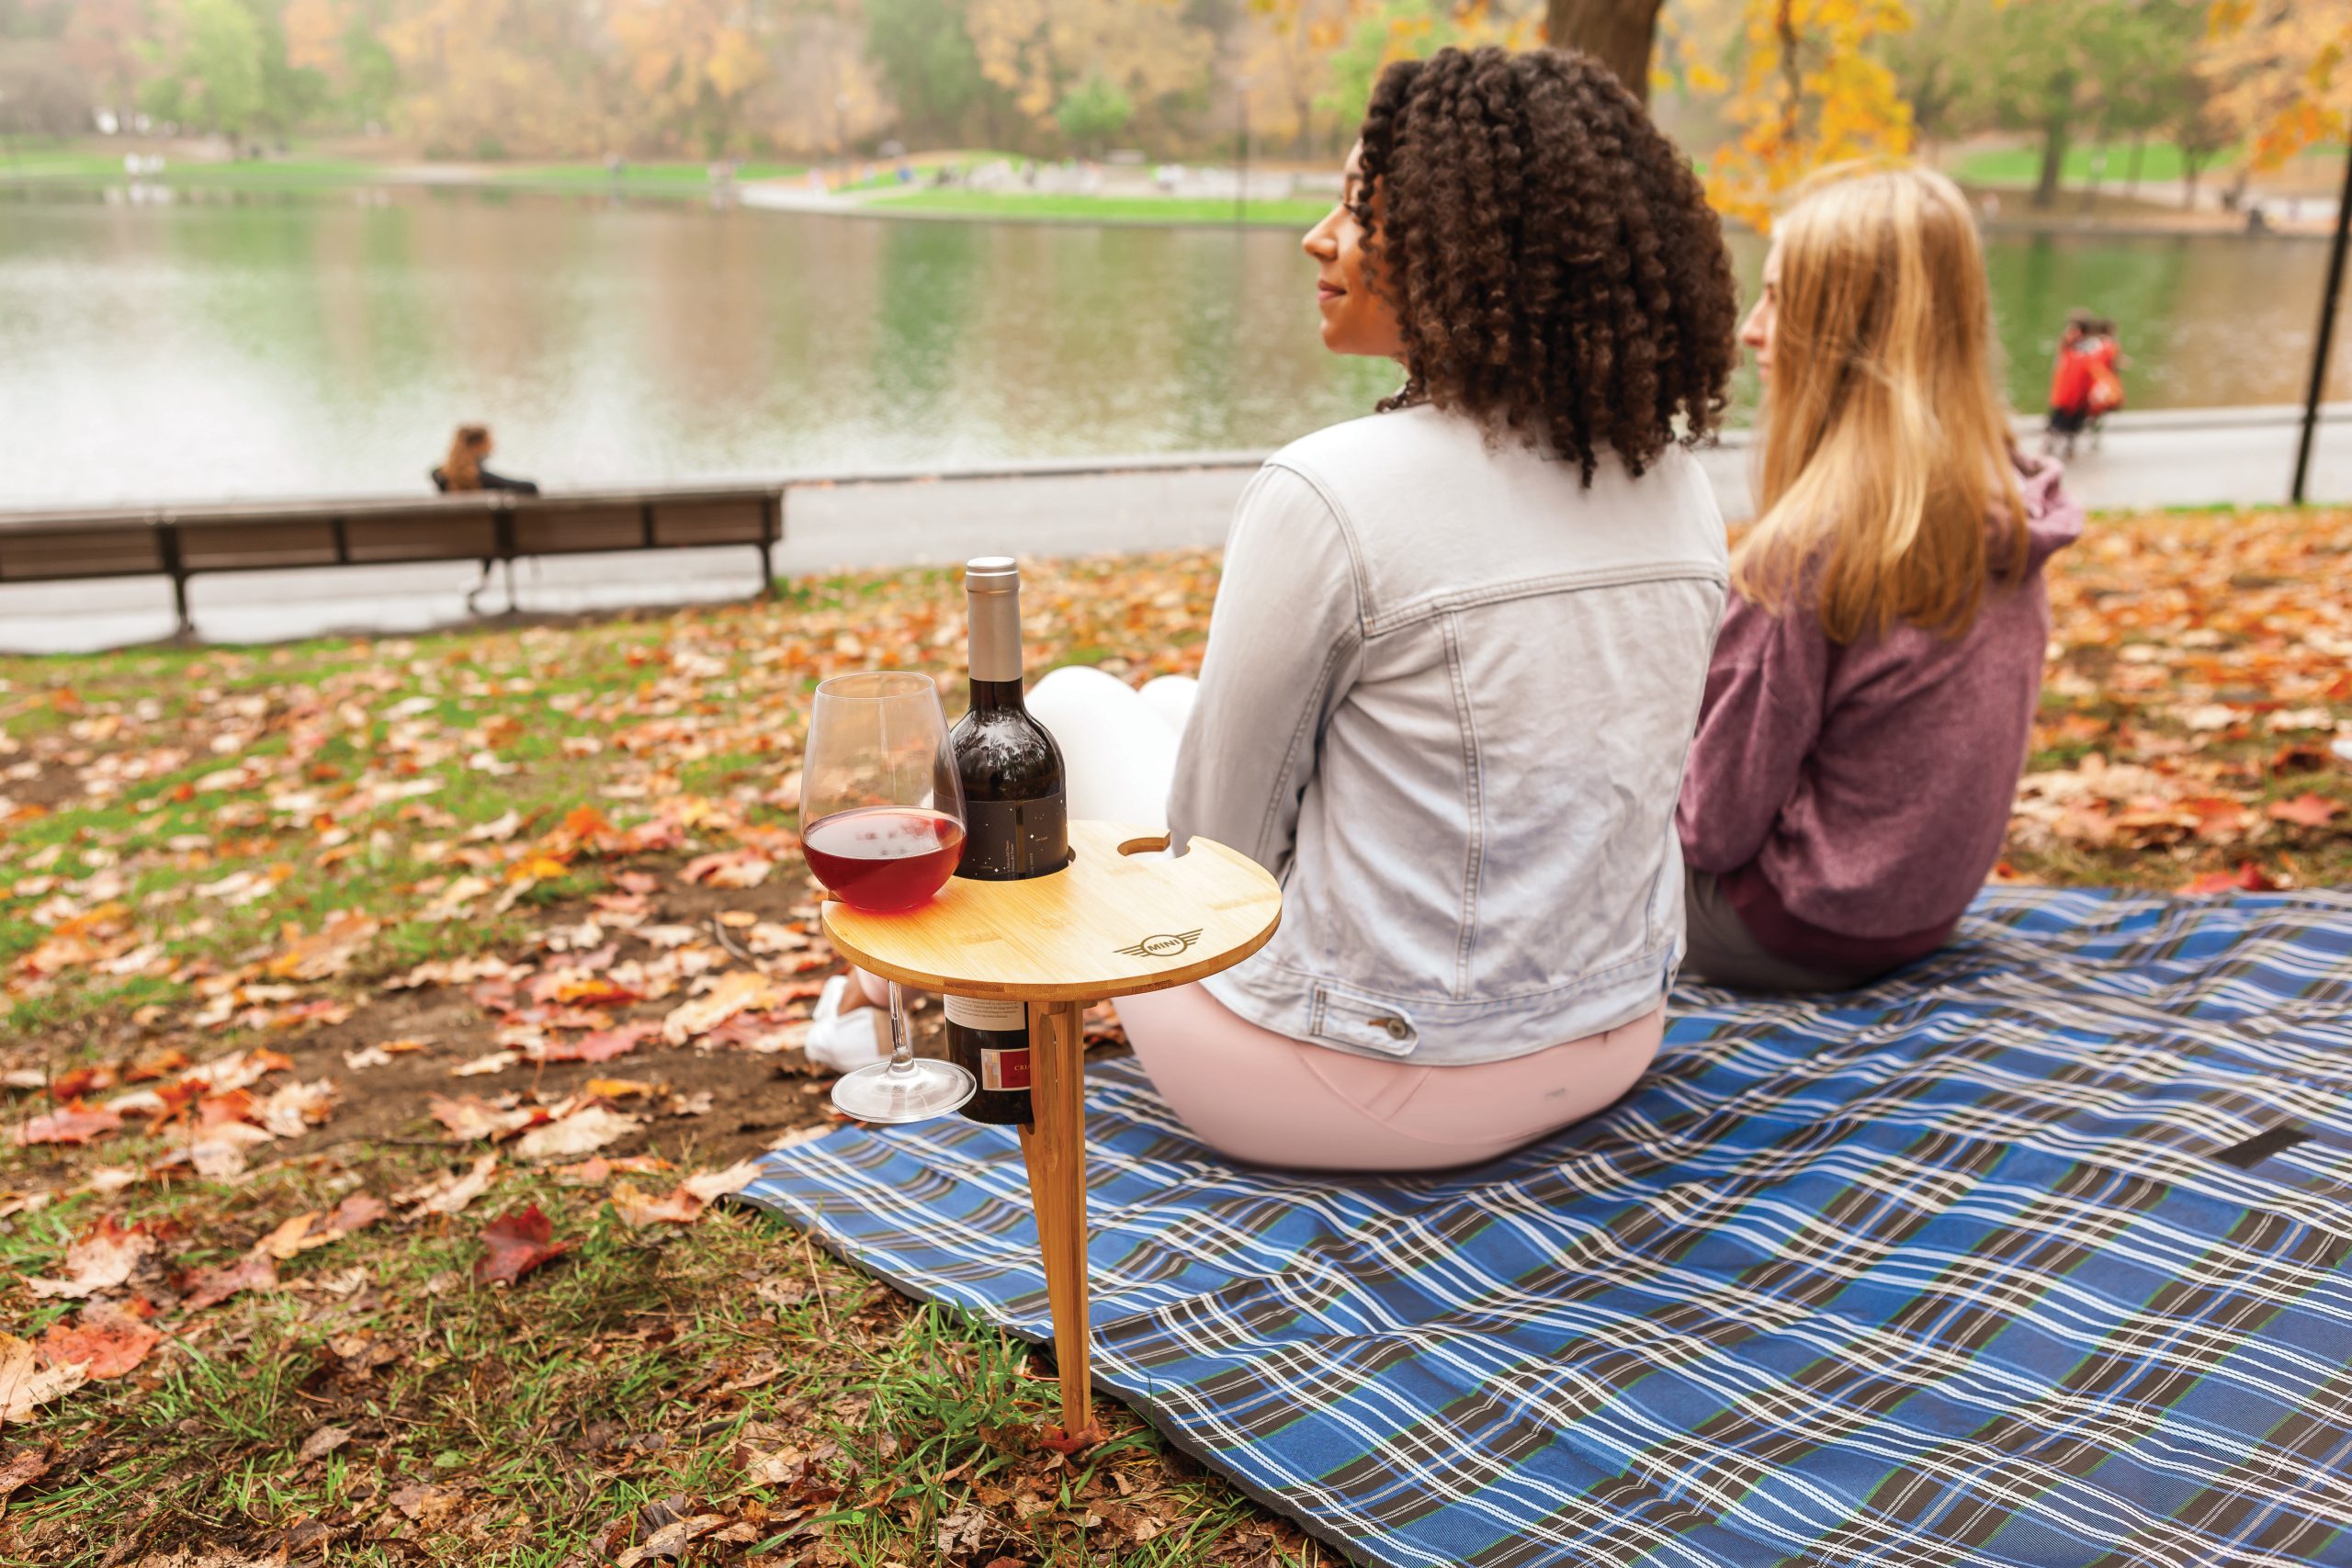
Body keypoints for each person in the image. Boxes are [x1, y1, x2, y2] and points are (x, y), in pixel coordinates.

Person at [820, 47, 1741, 1170]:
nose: (1317, 237)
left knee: (1069, 704)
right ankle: (896, 1001)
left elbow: (1220, 863)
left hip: (1356, 1090)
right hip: (1610, 1040)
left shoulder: (1334, 488)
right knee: (1173, 698)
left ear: (1464, 244)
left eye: (1359, 210)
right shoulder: (1677, 484)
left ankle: (894, 1010)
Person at [1676, 165, 2085, 994]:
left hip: (1787, 925)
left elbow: (1709, 831)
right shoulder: (2007, 503)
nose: (1752, 330)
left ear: (1845, 332)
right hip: (1921, 914)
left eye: (1779, 298)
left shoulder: (1806, 551)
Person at [430, 424, 539, 496]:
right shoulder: (482, 479)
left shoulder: (438, 476)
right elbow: (530, 487)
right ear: (478, 445)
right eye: (489, 441)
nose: (493, 445)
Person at [2044, 310, 2096, 458]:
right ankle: (2053, 444)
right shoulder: (2068, 342)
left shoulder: (2089, 346)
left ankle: (2067, 445)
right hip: (2067, 390)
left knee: (2073, 422)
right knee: (2057, 419)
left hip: (2078, 391)